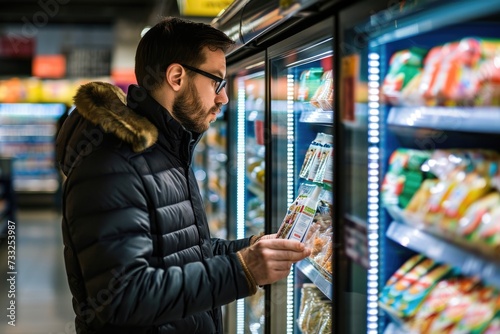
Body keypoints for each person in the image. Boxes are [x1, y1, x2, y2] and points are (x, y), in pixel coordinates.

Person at [55, 17, 310, 334]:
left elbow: (184, 252)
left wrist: (253, 248)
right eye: (216, 82)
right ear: (176, 76)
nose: (223, 98)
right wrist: (243, 270)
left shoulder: (166, 152)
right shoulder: (111, 165)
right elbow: (123, 297)